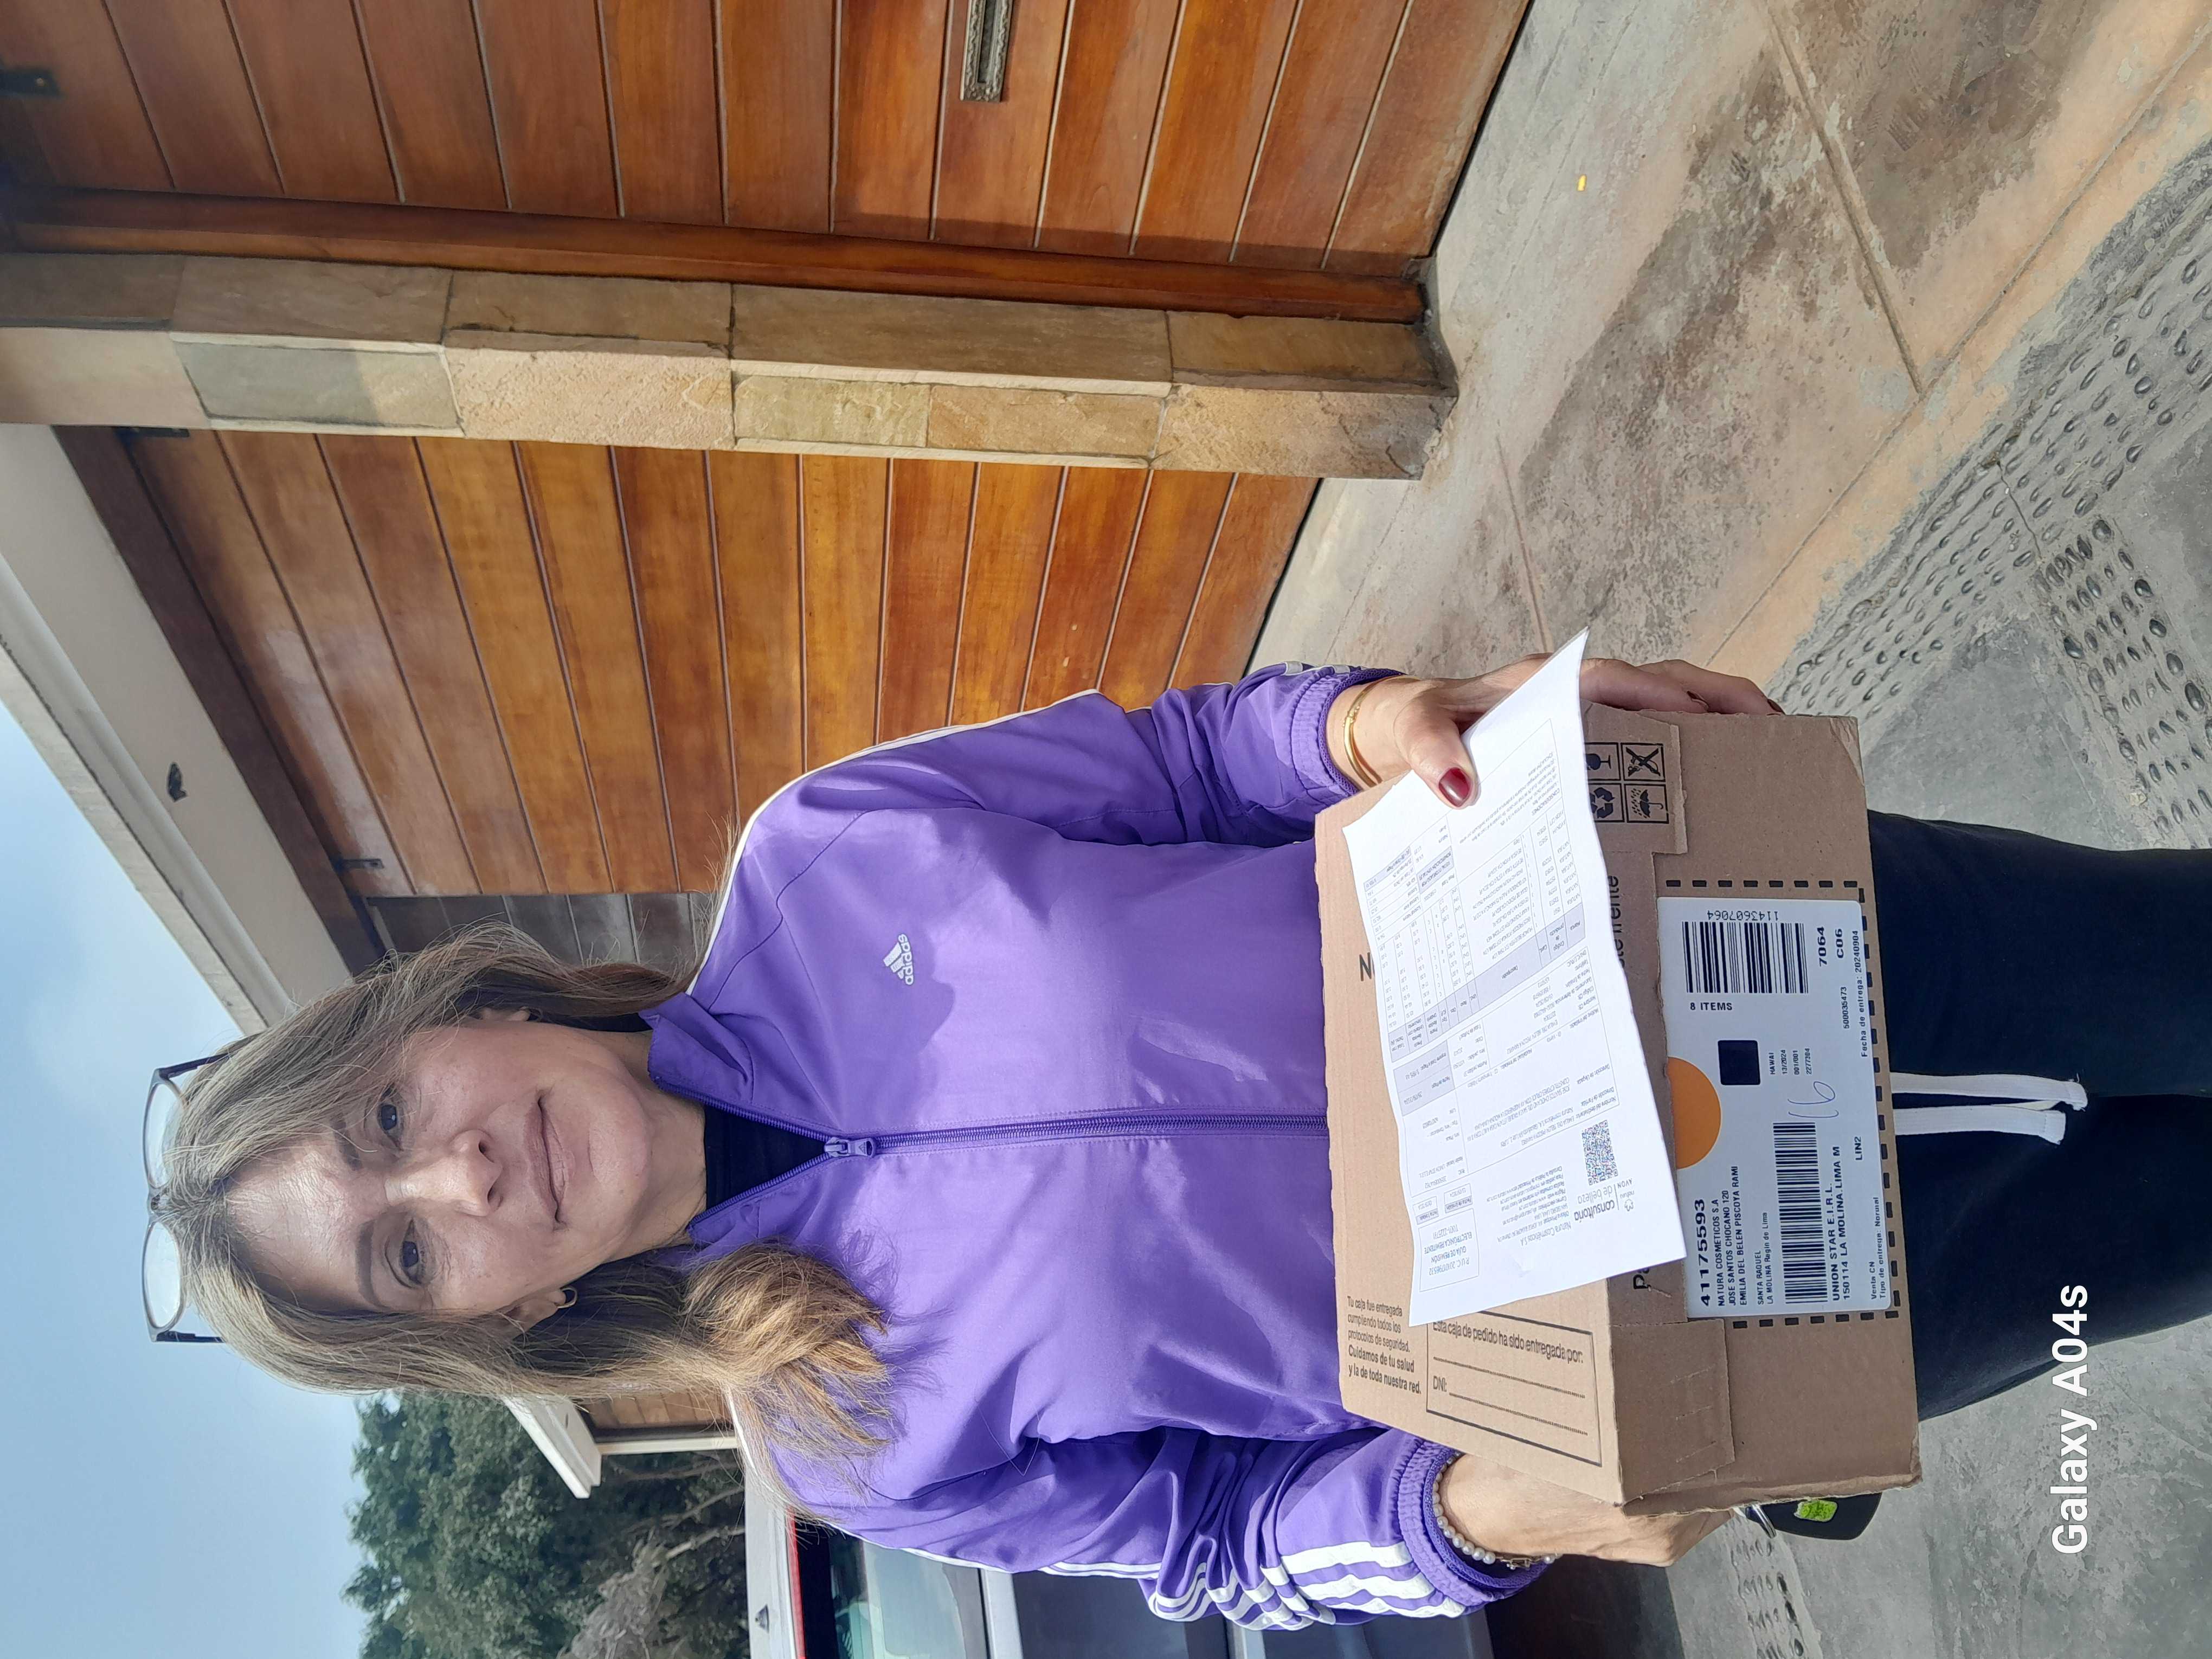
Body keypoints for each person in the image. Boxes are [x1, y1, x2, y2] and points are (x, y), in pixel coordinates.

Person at [149, 656, 2212, 1628]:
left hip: (1702, 937)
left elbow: (1180, 763)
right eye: (405, 1251)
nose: (459, 1176)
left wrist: (1379, 725)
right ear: (490, 1322)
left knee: (2173, 956)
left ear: (453, 1008)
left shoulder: (820, 850)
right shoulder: (846, 1442)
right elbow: (1226, 1544)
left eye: (387, 1115)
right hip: (1719, 1310)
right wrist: (1492, 1508)